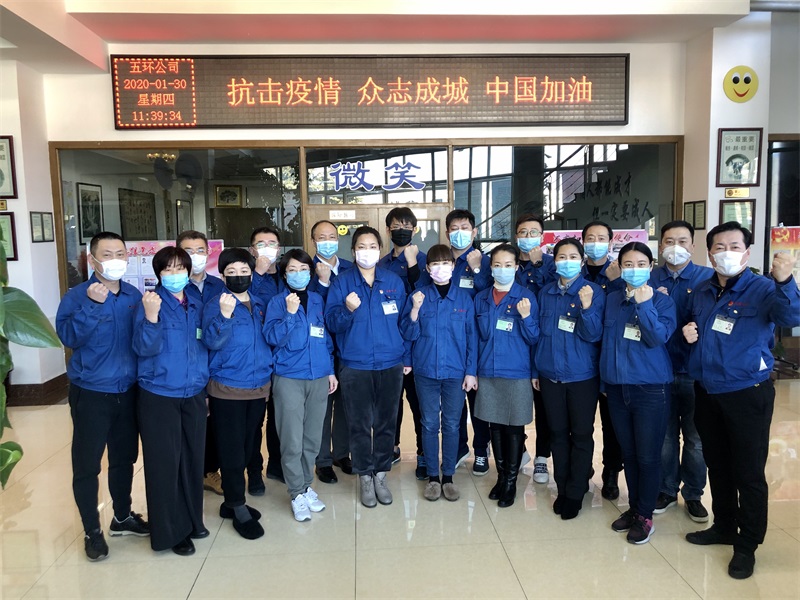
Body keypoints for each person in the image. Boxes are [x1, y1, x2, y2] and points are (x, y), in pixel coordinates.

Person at [683, 221, 800, 579]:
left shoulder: (764, 288)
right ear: (709, 254)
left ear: (747, 253)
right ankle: (723, 526)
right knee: (717, 465)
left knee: (748, 472)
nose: (726, 253)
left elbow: (791, 316)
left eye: (734, 246)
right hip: (707, 390)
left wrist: (785, 281)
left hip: (747, 392)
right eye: (719, 247)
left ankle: (747, 545)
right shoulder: (701, 291)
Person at [56, 232, 149, 562]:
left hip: (128, 390)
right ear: (92, 259)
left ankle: (121, 517)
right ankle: (92, 531)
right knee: (87, 464)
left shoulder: (134, 295)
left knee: (124, 459)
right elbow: (68, 337)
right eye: (107, 254)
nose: (115, 260)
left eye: (120, 254)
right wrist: (93, 307)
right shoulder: (77, 297)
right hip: (92, 393)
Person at [132, 246, 208, 556]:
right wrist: (151, 319)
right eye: (168, 269)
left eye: (180, 268)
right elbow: (142, 348)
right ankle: (169, 532)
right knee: (165, 464)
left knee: (192, 460)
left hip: (193, 391)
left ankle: (192, 521)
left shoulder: (196, 302)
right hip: (159, 393)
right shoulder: (150, 303)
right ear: (158, 274)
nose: (175, 274)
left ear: (189, 272)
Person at [325, 226, 408, 508]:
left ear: (380, 250)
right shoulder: (342, 283)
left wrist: (405, 357)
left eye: (373, 246)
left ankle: (381, 475)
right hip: (355, 365)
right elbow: (332, 323)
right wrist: (347, 309)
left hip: (390, 363)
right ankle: (364, 477)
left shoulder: (393, 281)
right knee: (359, 425)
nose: (367, 251)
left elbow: (404, 323)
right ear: (353, 251)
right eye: (362, 246)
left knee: (386, 423)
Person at [601, 242, 676, 545]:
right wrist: (605, 383)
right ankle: (634, 508)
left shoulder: (662, 301)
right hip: (617, 388)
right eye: (628, 264)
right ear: (619, 267)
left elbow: (657, 337)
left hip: (650, 389)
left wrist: (644, 305)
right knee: (629, 454)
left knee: (647, 455)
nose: (634, 270)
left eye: (641, 264)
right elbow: (605, 341)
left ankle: (646, 515)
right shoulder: (612, 299)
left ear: (651, 266)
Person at [202, 248, 273, 540]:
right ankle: (237, 503)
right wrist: (225, 315)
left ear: (252, 273)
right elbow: (211, 341)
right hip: (227, 388)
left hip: (258, 387)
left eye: (244, 271)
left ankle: (231, 503)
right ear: (222, 276)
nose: (239, 276)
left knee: (247, 446)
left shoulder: (260, 303)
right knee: (231, 450)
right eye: (231, 272)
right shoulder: (215, 304)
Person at [533, 238, 605, 520]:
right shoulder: (545, 293)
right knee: (558, 434)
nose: (567, 262)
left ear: (582, 260)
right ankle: (562, 487)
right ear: (555, 261)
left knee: (582, 434)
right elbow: (537, 336)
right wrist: (536, 371)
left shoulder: (593, 292)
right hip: (550, 375)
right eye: (561, 257)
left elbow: (593, 335)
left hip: (581, 376)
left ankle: (576, 491)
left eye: (573, 257)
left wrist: (586, 307)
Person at [400, 244, 477, 502]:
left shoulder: (464, 299)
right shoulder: (419, 295)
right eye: (435, 263)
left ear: (453, 267)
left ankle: (449, 477)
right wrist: (414, 310)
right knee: (430, 423)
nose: (441, 268)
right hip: (426, 372)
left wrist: (471, 371)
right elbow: (408, 334)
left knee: (452, 424)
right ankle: (433, 477)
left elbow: (471, 338)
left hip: (455, 372)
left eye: (446, 263)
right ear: (427, 268)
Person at [265, 249, 337, 521]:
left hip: (318, 376)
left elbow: (324, 338)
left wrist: (330, 370)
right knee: (292, 440)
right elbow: (272, 337)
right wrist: (290, 314)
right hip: (289, 378)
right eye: (292, 270)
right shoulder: (277, 302)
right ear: (284, 275)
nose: (299, 274)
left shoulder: (317, 299)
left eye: (304, 269)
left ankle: (306, 486)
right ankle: (295, 492)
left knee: (312, 439)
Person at [649, 221, 713, 523]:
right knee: (664, 437)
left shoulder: (708, 278)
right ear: (661, 245)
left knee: (696, 439)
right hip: (658, 371)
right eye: (669, 241)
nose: (675, 247)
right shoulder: (649, 277)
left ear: (693, 245)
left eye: (682, 241)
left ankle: (694, 494)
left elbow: (717, 321)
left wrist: (698, 330)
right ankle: (666, 489)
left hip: (694, 371)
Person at [474, 243, 539, 508]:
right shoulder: (481, 298)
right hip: (488, 371)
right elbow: (475, 338)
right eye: (497, 265)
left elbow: (534, 338)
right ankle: (501, 477)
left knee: (514, 427)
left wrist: (526, 317)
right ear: (490, 268)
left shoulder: (525, 297)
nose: (502, 269)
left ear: (516, 267)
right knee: (495, 426)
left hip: (516, 372)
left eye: (508, 265)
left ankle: (511, 481)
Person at [442, 209, 493, 477]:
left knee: (478, 400)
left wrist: (477, 269)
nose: (459, 232)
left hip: (478, 339)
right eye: (454, 228)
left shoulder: (486, 261)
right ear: (447, 232)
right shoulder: (441, 259)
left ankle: (481, 449)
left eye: (465, 227)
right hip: (448, 340)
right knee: (453, 402)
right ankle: (459, 448)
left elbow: (491, 295)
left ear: (474, 232)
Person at [379, 207, 427, 479]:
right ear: (388, 230)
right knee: (390, 403)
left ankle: (423, 453)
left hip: (418, 345)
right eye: (397, 226)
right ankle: (391, 447)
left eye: (407, 226)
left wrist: (412, 265)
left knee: (419, 404)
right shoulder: (381, 264)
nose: (402, 230)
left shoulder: (425, 260)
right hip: (390, 345)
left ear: (415, 230)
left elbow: (423, 295)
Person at [177, 230, 226, 497]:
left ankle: (210, 472)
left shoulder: (219, 286)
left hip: (217, 362)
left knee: (215, 423)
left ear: (208, 253)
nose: (194, 256)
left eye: (199, 250)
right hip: (187, 365)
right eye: (188, 250)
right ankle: (188, 474)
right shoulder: (174, 286)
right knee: (188, 425)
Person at [581, 220, 625, 500]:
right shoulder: (574, 271)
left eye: (601, 238)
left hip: (611, 360)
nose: (595, 243)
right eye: (590, 237)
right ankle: (582, 468)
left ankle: (611, 473)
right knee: (581, 422)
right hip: (582, 361)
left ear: (610, 242)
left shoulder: (621, 273)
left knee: (612, 424)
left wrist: (617, 281)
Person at [308, 219, 353, 485]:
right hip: (318, 349)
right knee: (322, 407)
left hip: (348, 346)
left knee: (346, 404)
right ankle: (323, 460)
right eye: (321, 237)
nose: (327, 241)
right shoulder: (305, 269)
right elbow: (311, 306)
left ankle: (342, 453)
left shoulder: (349, 268)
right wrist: (322, 282)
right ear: (313, 240)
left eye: (332, 236)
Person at [515, 214, 557, 485]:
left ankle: (542, 456)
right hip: (514, 345)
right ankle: (519, 450)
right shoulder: (507, 261)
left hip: (542, 343)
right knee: (516, 402)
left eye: (534, 232)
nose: (528, 236)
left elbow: (550, 294)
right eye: (523, 232)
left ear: (542, 236)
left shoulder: (551, 264)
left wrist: (538, 264)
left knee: (544, 406)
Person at [247, 226, 285, 492]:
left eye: (272, 243)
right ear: (252, 250)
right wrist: (258, 273)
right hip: (257, 359)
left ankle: (277, 464)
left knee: (279, 417)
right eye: (261, 244)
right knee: (255, 420)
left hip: (285, 359)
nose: (267, 248)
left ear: (279, 249)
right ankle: (254, 471)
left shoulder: (287, 273)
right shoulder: (245, 276)